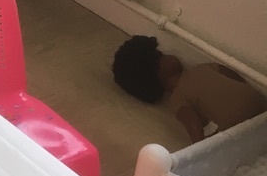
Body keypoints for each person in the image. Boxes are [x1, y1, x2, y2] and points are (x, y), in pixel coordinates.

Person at [113, 35, 267, 143]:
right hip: (243, 123)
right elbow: (193, 126)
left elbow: (236, 79)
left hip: (257, 108)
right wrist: (202, 146)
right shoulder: (178, 98)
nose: (167, 55)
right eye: (159, 56)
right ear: (153, 73)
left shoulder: (203, 67)